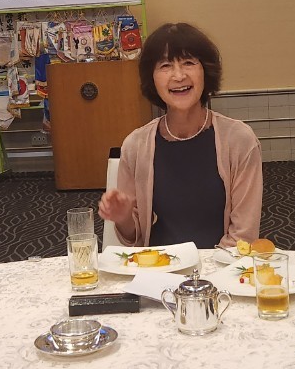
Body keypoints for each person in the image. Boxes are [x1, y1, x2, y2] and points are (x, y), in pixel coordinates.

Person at [99, 23, 262, 248]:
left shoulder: (239, 140)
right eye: (165, 66)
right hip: (159, 265)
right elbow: (133, 238)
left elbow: (243, 237)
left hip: (221, 265)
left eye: (188, 63)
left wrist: (203, 269)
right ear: (152, 78)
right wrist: (124, 217)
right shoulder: (136, 145)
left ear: (206, 71)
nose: (178, 76)